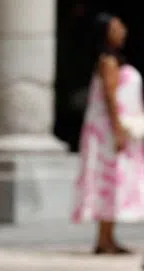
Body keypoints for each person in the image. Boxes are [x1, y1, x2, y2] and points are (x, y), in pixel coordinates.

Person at [72, 13, 144, 254]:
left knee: (115, 181)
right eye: (116, 28)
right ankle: (104, 238)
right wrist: (118, 131)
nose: (122, 31)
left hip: (117, 128)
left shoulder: (115, 61)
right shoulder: (108, 62)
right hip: (109, 132)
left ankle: (107, 237)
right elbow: (110, 97)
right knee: (110, 179)